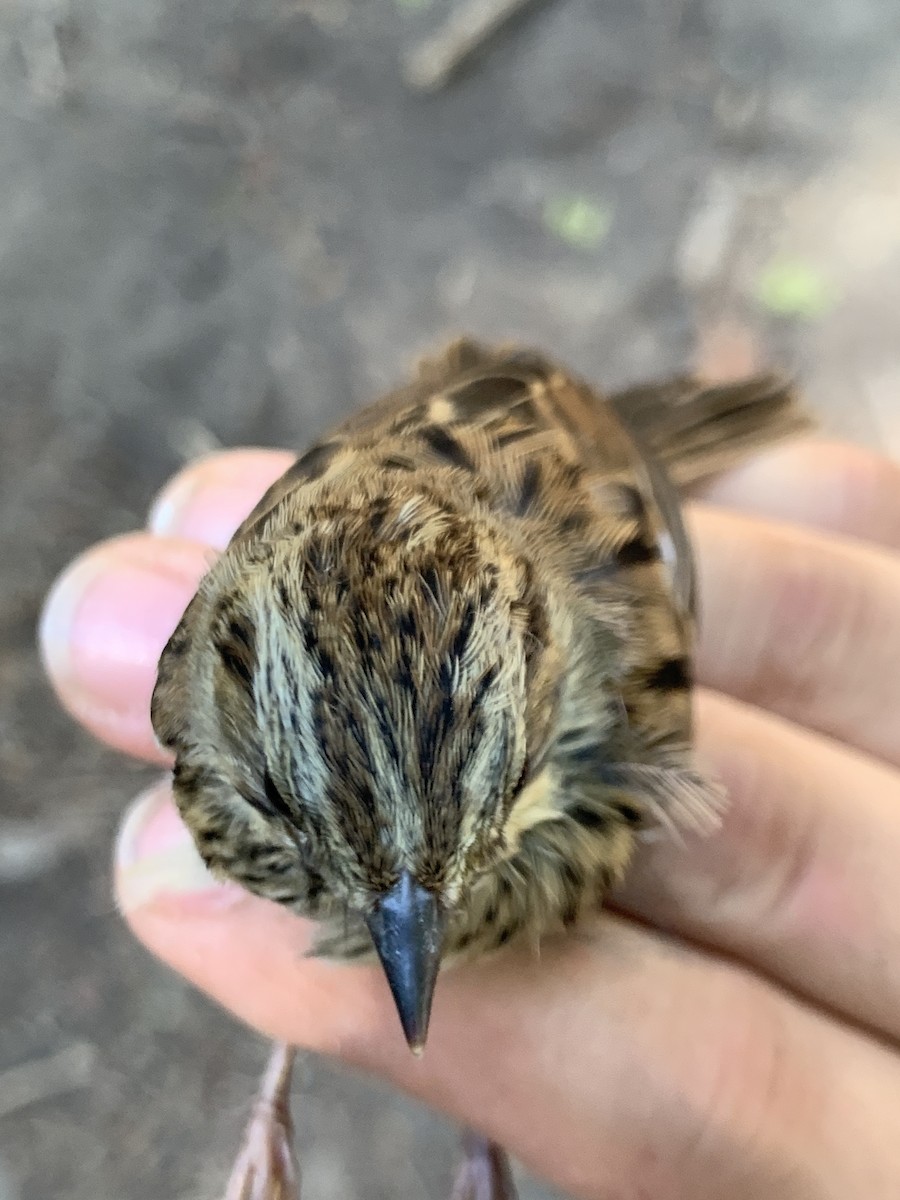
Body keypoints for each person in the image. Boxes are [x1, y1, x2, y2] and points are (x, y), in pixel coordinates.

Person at [39, 436, 900, 1197]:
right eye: (308, 812)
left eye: (489, 799)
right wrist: (272, 1106)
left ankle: (480, 1121)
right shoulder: (210, 689)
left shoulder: (587, 680)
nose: (411, 916)